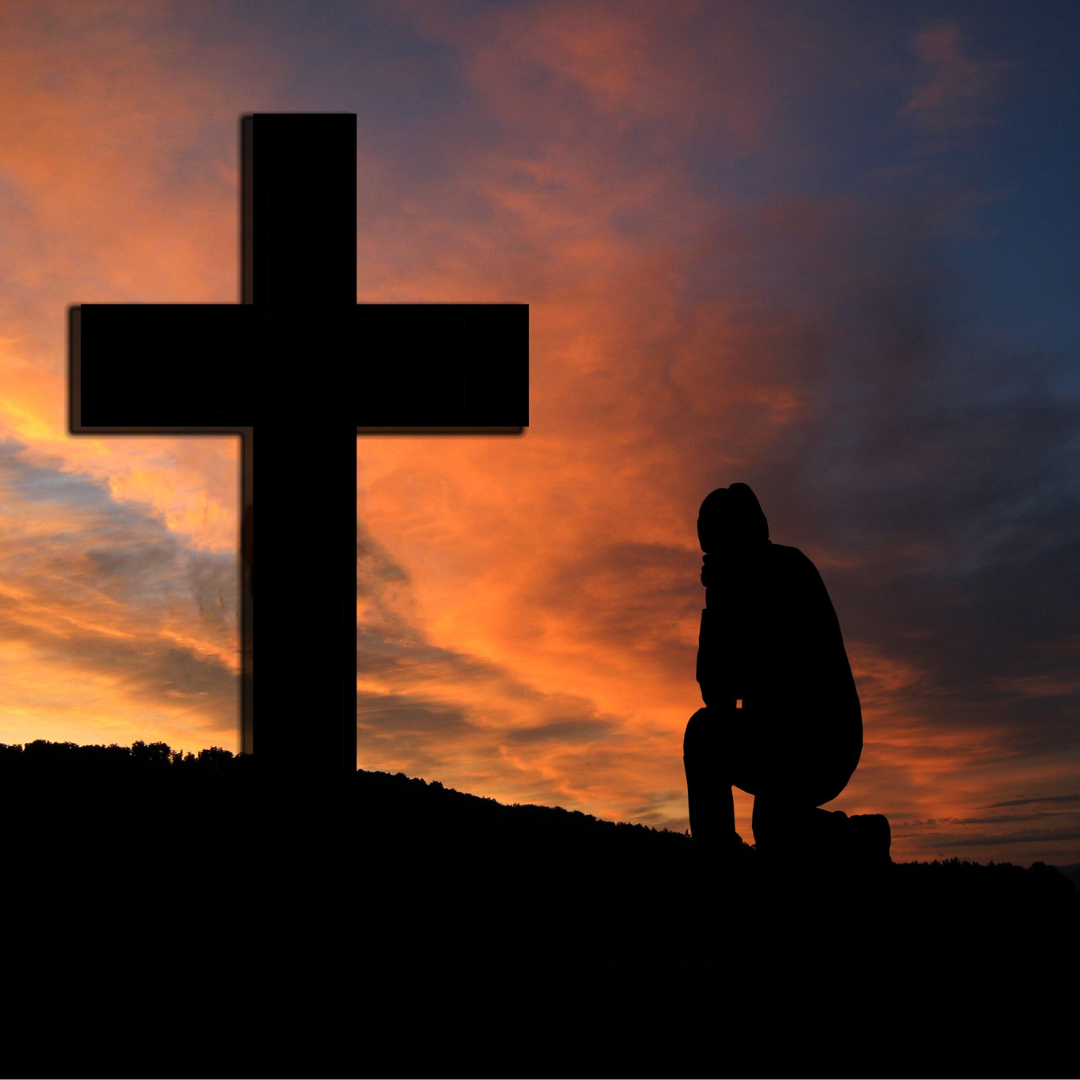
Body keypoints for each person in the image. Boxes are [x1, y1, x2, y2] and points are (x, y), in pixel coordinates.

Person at [683, 483, 885, 866]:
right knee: (775, 828)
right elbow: (717, 696)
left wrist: (724, 605)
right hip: (781, 737)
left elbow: (768, 679)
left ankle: (717, 870)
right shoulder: (736, 591)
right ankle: (864, 839)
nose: (712, 559)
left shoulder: (789, 572)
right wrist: (717, 608)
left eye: (718, 547)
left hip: (822, 740)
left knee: (705, 735)